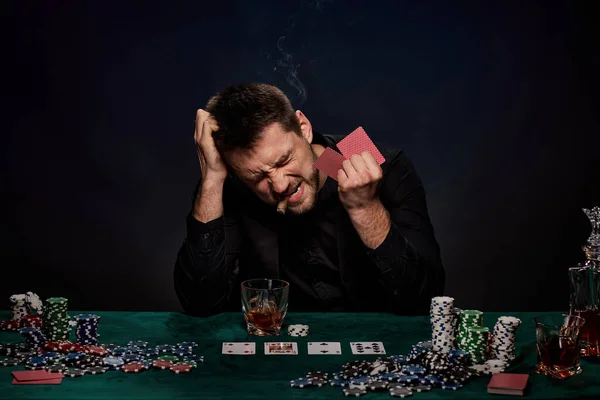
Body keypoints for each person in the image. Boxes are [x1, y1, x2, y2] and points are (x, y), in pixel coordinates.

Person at [174, 83, 444, 316]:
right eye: (257, 177)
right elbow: (200, 304)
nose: (280, 185)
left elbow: (423, 301)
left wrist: (365, 208)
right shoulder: (231, 185)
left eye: (284, 160)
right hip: (274, 352)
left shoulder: (369, 160)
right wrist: (211, 178)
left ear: (303, 128)